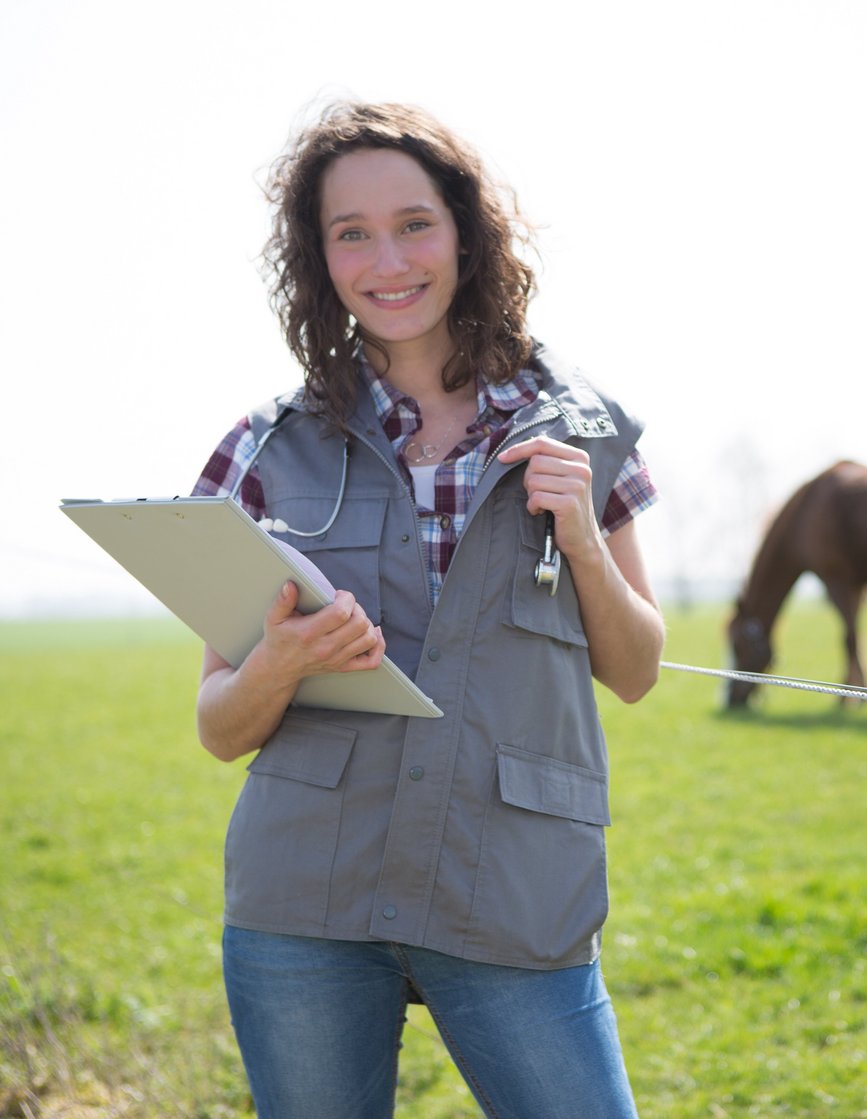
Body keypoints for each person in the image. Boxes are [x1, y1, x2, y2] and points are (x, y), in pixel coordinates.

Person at [191, 100, 664, 1117]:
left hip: (517, 898)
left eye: (413, 223)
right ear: (319, 261)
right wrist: (276, 661)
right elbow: (218, 727)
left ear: (464, 232)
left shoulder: (587, 431)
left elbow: (636, 670)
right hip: (304, 907)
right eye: (349, 233)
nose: (387, 259)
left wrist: (580, 536)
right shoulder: (261, 450)